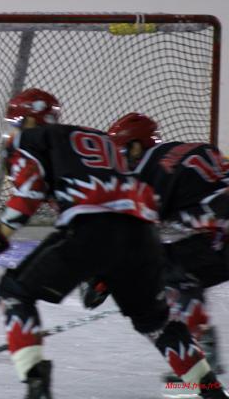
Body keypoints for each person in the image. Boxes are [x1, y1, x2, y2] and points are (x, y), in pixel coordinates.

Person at [0, 89, 228, 398]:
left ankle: (36, 383)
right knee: (158, 323)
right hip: (142, 238)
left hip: (91, 230)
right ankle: (210, 390)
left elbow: (29, 195)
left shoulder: (32, 139)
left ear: (31, 118)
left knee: (14, 293)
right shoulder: (102, 142)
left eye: (15, 121)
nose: (12, 129)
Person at [102, 112, 228, 380]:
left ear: (137, 146)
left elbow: (134, 233)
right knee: (179, 267)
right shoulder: (183, 150)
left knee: (164, 271)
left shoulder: (150, 169)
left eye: (120, 153)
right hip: (221, 226)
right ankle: (200, 346)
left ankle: (199, 354)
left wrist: (103, 279)